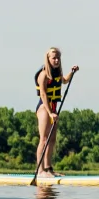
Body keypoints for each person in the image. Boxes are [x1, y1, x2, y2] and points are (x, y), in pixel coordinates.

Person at [33, 47, 82, 181]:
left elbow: (64, 80)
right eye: (54, 58)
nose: (56, 60)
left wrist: (72, 72)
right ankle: (40, 171)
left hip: (53, 108)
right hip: (44, 108)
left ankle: (48, 168)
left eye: (58, 58)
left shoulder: (57, 73)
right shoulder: (43, 74)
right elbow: (43, 94)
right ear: (48, 59)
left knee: (52, 139)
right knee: (44, 139)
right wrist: (50, 113)